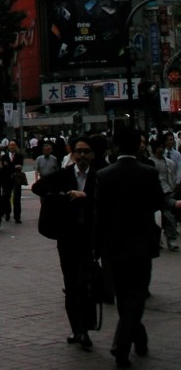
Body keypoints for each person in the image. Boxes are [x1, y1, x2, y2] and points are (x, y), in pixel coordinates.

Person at [93, 127, 168, 368]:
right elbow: (158, 201)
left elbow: (99, 214)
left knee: (125, 295)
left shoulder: (104, 175)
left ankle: (138, 336)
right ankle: (122, 342)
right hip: (141, 243)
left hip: (114, 244)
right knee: (137, 293)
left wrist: (97, 245)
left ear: (115, 147)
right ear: (139, 146)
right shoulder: (148, 172)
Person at [32, 135, 98, 350]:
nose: (82, 155)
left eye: (86, 151)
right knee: (70, 283)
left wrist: (86, 197)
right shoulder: (64, 175)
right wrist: (61, 196)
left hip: (89, 236)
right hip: (67, 236)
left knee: (84, 283)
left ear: (92, 154)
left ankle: (85, 327)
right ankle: (77, 328)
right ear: (72, 153)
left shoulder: (99, 176)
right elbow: (38, 188)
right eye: (78, 151)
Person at [148, 138, 178, 251]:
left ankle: (171, 239)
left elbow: (173, 175)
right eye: (158, 147)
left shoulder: (168, 162)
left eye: (162, 147)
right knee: (157, 218)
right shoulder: (151, 162)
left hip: (166, 191)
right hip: (155, 193)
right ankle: (158, 240)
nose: (161, 149)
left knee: (169, 216)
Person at [1, 139, 25, 224]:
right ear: (8, 147)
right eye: (10, 145)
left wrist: (10, 166)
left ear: (16, 146)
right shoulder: (4, 156)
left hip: (17, 179)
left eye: (13, 145)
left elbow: (20, 166)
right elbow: (4, 168)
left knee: (17, 198)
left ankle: (17, 217)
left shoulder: (19, 156)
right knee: (6, 197)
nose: (12, 146)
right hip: (7, 179)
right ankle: (7, 213)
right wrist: (14, 166)